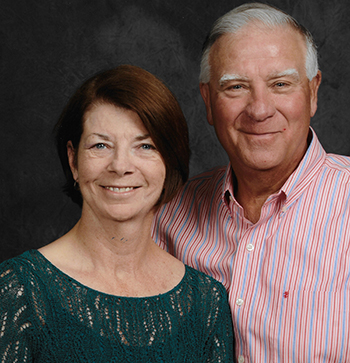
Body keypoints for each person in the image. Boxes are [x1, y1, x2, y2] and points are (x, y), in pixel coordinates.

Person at [152, 3, 350, 362]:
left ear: (313, 91)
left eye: (280, 84)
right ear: (208, 102)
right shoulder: (169, 215)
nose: (259, 109)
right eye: (236, 87)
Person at [0, 65, 234, 362]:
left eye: (145, 146)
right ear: (73, 160)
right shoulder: (18, 289)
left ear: (170, 162)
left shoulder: (206, 303)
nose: (120, 165)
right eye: (100, 145)